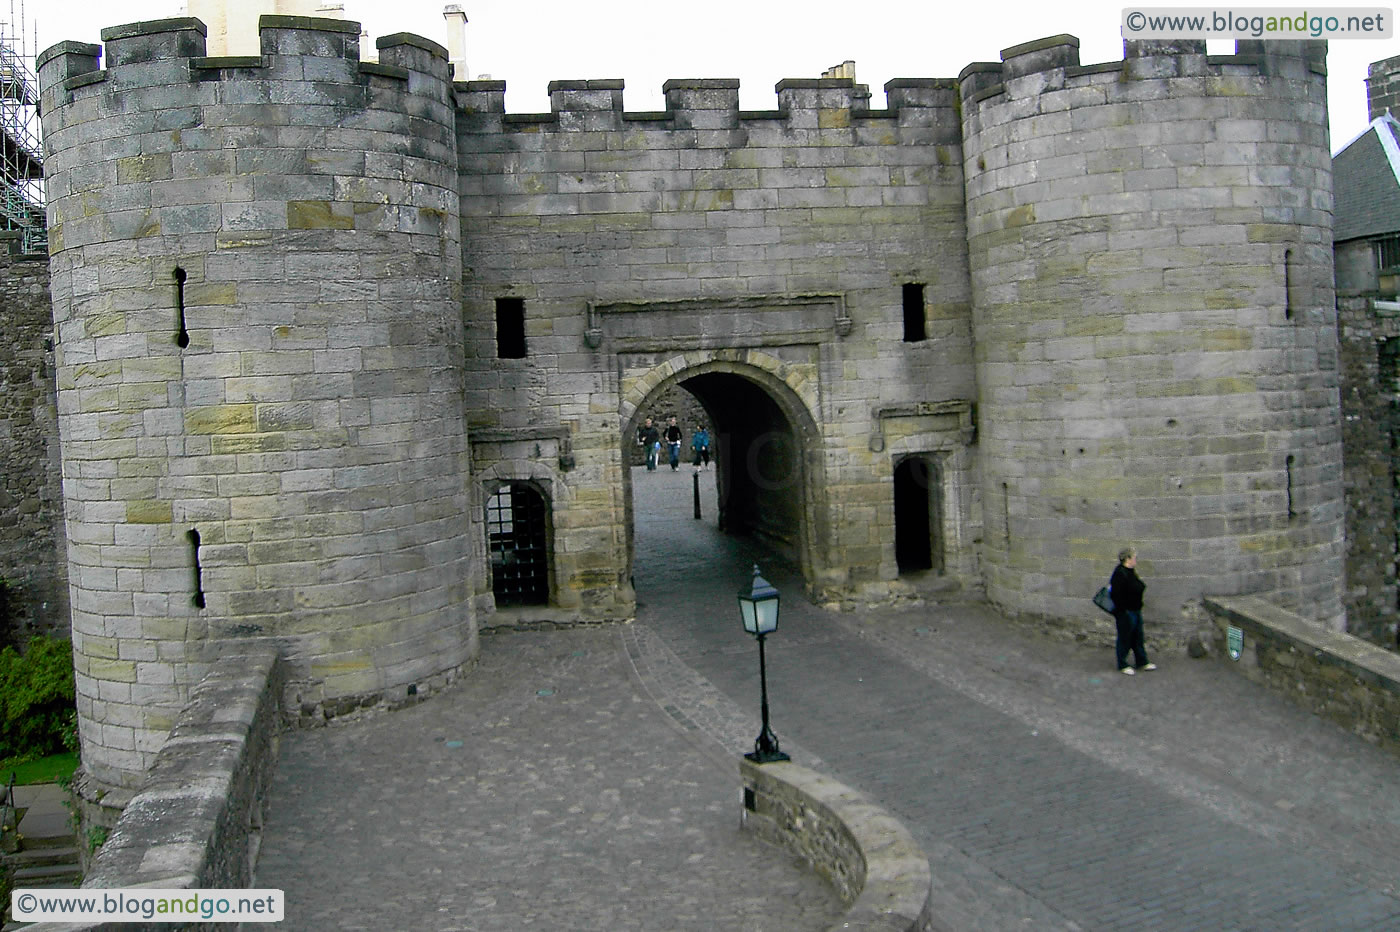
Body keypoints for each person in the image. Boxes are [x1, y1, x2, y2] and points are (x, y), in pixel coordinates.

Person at [1109, 547, 1156, 675]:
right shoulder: (1119, 573)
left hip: (1135, 610)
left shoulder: (1130, 571)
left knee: (1138, 637)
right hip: (1126, 612)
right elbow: (1116, 595)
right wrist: (1122, 612)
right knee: (1125, 638)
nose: (1136, 560)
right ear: (1127, 559)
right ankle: (1122, 664)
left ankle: (1142, 661)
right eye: (1134, 557)